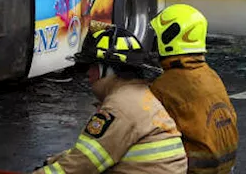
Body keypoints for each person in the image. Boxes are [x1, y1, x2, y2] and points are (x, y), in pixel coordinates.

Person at [33, 25, 186, 174]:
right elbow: (98, 148)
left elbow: (84, 163)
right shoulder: (138, 95)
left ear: (106, 69)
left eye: (91, 66)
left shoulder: (119, 107)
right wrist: (56, 160)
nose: (87, 74)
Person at [149, 4, 238, 174]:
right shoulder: (210, 75)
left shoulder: (165, 86)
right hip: (226, 168)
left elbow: (142, 128)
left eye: (158, 35)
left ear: (170, 37)